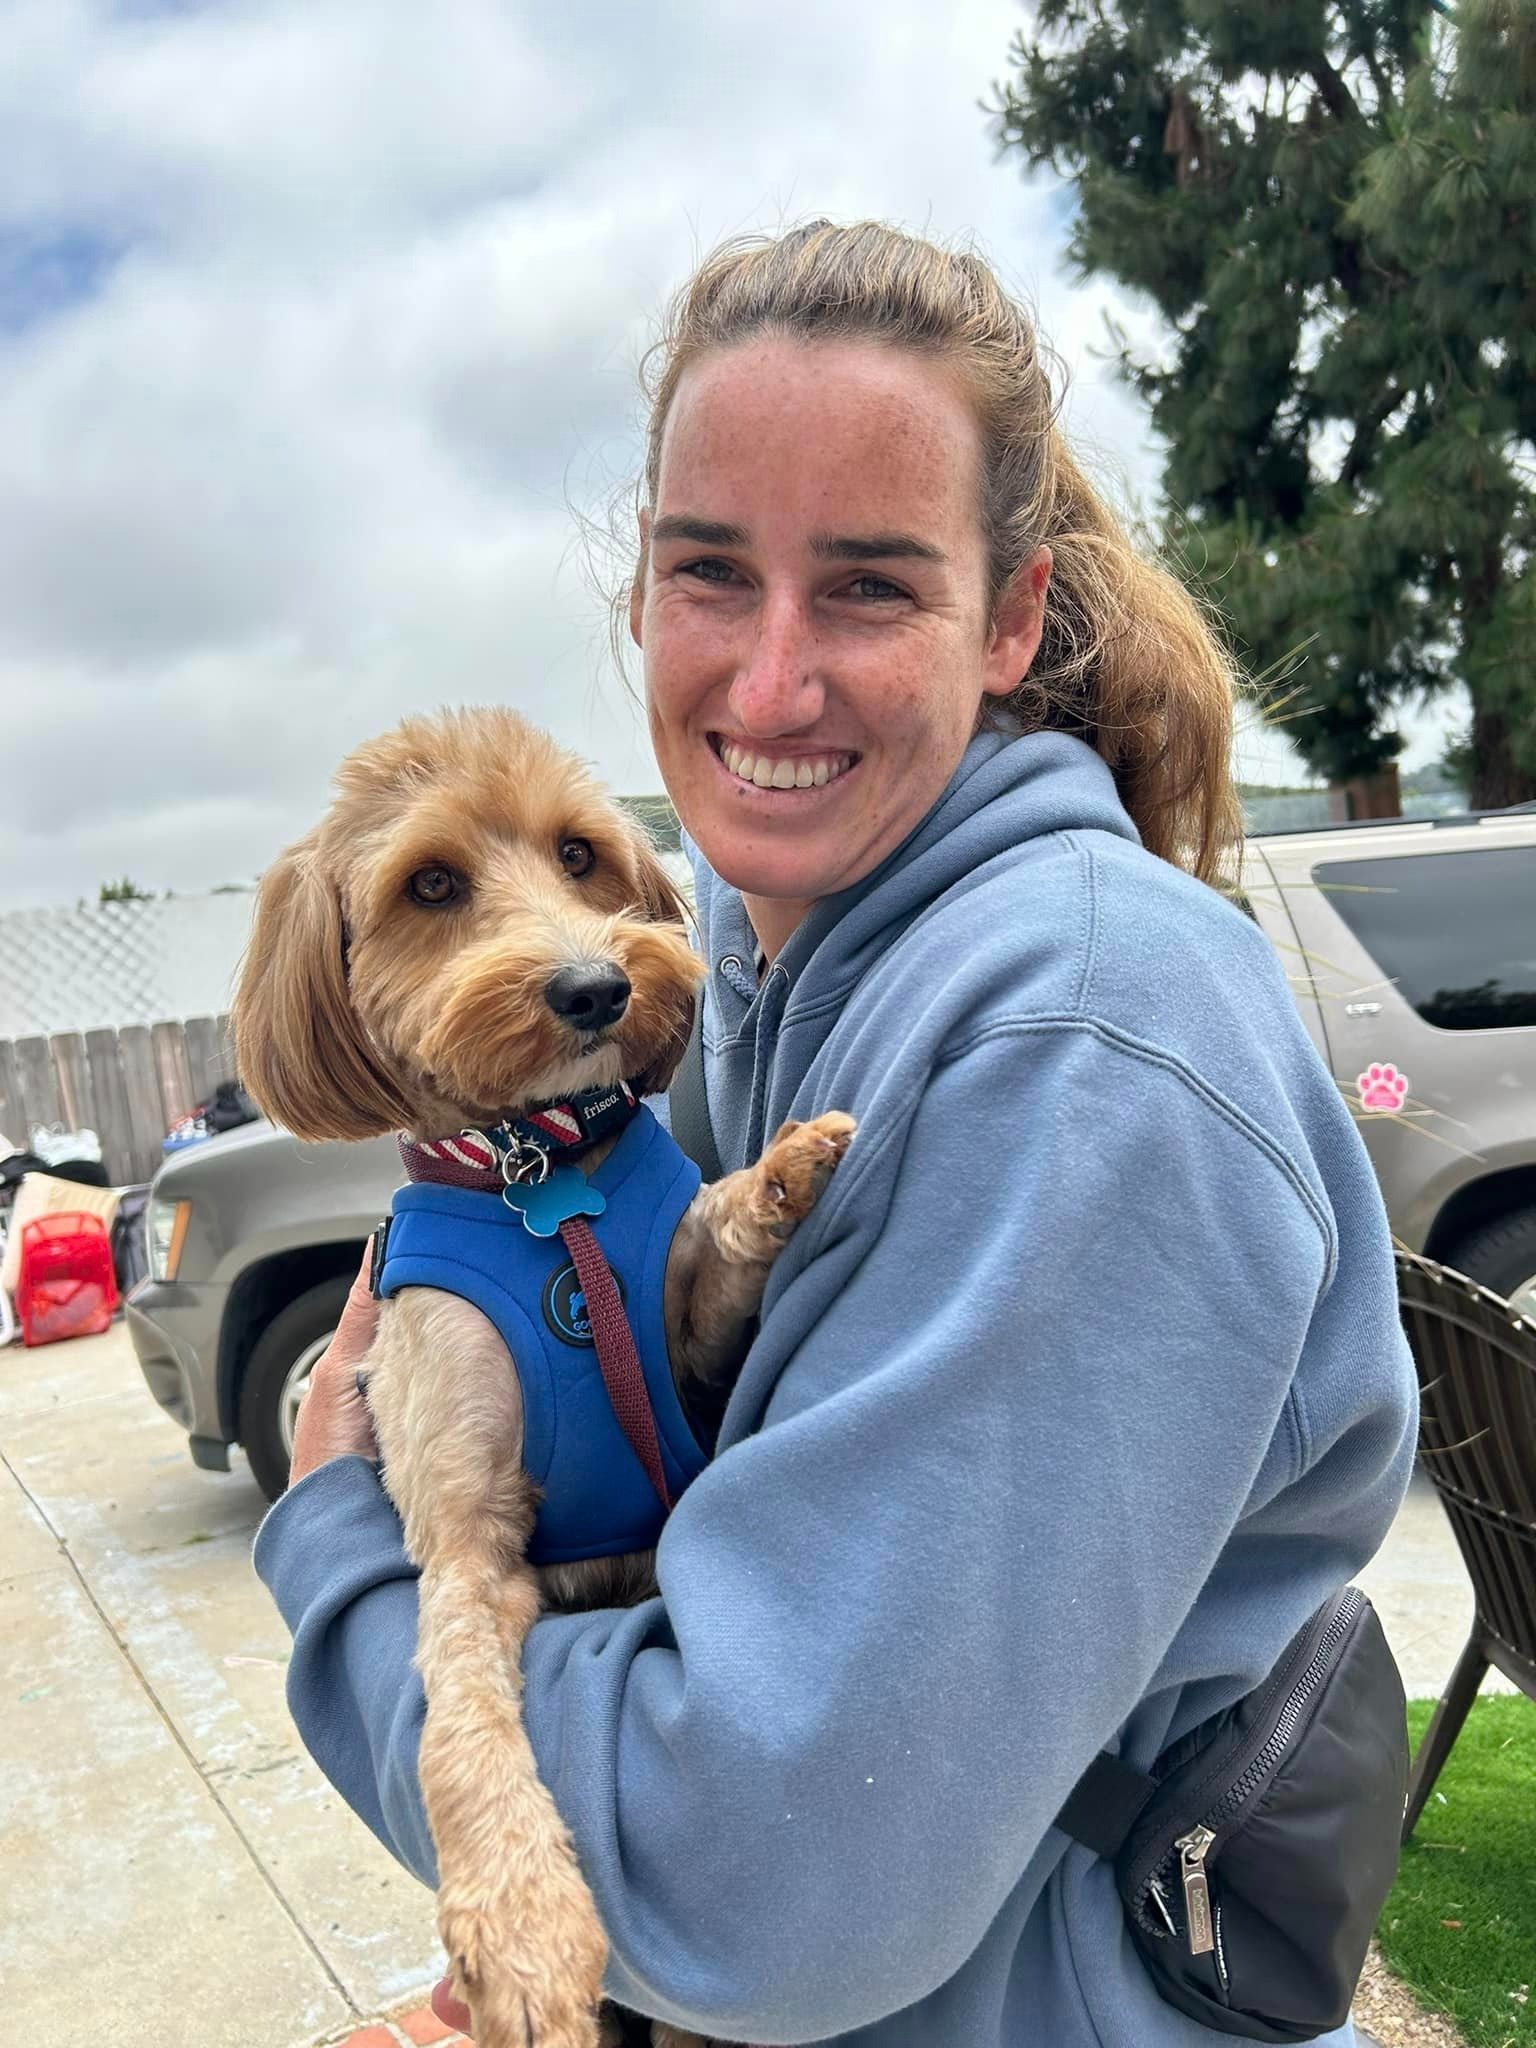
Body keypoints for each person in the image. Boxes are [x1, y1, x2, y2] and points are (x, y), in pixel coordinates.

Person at [255, 221, 1416, 2046]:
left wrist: (339, 1547)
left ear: (1012, 616)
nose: (772, 684)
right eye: (711, 572)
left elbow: (759, 1881)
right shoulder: (763, 954)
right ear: (642, 593)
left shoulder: (1082, 1046)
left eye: (869, 588)